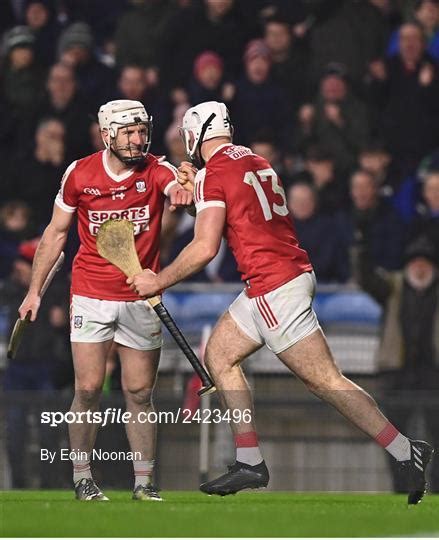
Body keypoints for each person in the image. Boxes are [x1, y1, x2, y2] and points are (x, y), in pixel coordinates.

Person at [129, 101, 434, 504]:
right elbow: (234, 200)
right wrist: (198, 186)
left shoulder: (212, 175)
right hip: (275, 280)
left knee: (325, 380)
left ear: (194, 134)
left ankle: (405, 451)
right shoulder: (255, 160)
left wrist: (158, 279)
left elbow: (204, 247)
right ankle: (249, 460)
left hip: (274, 285)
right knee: (219, 356)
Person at [17, 99, 193, 502]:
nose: (138, 139)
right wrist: (34, 291)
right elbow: (56, 234)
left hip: (140, 296)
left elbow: (178, 189)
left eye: (142, 131)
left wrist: (186, 189)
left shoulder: (157, 168)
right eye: (129, 132)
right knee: (90, 387)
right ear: (108, 133)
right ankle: (82, 479)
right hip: (90, 294)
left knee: (138, 392)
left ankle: (144, 483)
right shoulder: (79, 174)